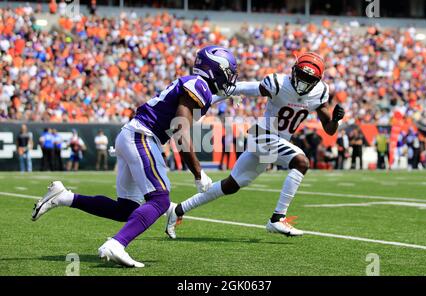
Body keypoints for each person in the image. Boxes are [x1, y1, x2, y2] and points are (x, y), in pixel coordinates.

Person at [31, 46, 238, 268]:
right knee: (160, 200)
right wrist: (198, 172)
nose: (229, 79)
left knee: (126, 209)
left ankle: (64, 197)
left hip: (133, 134)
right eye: (228, 73)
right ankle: (116, 244)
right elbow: (180, 129)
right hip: (142, 136)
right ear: (214, 69)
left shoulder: (194, 85)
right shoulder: (199, 86)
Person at [165, 52, 345, 239]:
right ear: (293, 70)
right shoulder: (278, 83)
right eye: (301, 74)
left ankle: (178, 209)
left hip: (275, 140)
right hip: (262, 135)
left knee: (231, 185)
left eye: (309, 78)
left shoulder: (320, 92)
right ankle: (277, 218)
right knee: (301, 162)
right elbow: (243, 88)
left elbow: (329, 129)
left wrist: (336, 120)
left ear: (317, 80)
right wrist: (208, 99)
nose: (302, 81)